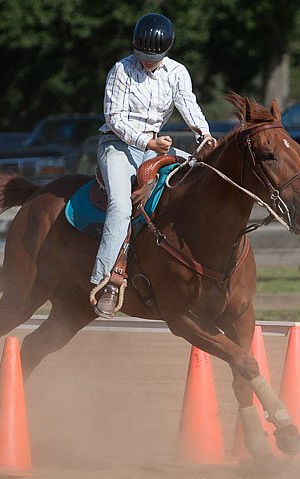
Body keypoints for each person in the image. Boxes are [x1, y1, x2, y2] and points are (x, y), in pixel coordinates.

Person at [91, 12, 216, 319]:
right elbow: (114, 119)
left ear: (166, 51)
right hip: (118, 146)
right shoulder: (120, 70)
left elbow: (188, 104)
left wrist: (204, 135)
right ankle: (103, 280)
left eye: (154, 57)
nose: (147, 62)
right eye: (143, 56)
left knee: (198, 179)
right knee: (121, 206)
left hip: (153, 147)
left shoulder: (177, 73)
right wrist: (148, 143)